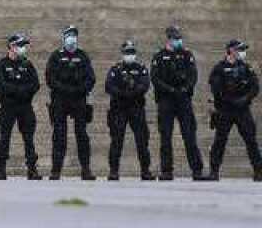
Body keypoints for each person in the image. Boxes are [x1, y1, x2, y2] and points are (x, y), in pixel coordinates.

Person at [150, 25, 208, 180]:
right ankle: (166, 171)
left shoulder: (187, 55)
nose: (178, 41)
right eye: (175, 38)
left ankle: (197, 170)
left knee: (189, 135)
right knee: (166, 137)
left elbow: (193, 75)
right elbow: (155, 78)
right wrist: (170, 90)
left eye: (179, 38)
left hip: (183, 100)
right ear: (169, 39)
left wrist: (184, 89)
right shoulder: (159, 56)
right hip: (166, 100)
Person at [46, 25, 96, 180]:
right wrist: (64, 89)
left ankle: (86, 169)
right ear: (64, 37)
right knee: (59, 135)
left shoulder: (82, 56)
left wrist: (80, 89)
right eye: (69, 35)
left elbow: (91, 78)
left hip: (79, 98)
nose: (72, 38)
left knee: (82, 135)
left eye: (74, 35)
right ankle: (56, 170)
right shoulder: (56, 56)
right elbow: (50, 78)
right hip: (60, 99)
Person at [207, 39, 262, 181]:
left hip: (242, 110)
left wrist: (245, 99)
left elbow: (255, 87)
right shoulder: (219, 68)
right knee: (220, 141)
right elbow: (216, 90)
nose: (243, 53)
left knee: (251, 140)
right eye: (240, 49)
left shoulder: (246, 68)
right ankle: (214, 171)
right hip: (225, 110)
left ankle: (258, 171)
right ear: (231, 50)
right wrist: (230, 101)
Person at [0, 33, 41, 180]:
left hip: (25, 106)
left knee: (29, 138)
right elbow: (0, 85)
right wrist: (18, 90)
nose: (23, 49)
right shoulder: (2, 65)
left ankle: (32, 169)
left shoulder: (27, 64)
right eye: (20, 46)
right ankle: (1, 170)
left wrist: (23, 92)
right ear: (12, 47)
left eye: (24, 46)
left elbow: (35, 84)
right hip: (8, 106)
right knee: (4, 137)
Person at [104, 39, 153, 181]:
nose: (129, 55)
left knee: (142, 140)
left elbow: (145, 85)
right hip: (119, 108)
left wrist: (133, 93)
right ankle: (113, 171)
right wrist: (123, 94)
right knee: (116, 140)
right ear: (122, 54)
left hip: (136, 107)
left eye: (132, 52)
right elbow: (109, 86)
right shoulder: (115, 69)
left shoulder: (141, 68)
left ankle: (145, 170)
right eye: (127, 52)